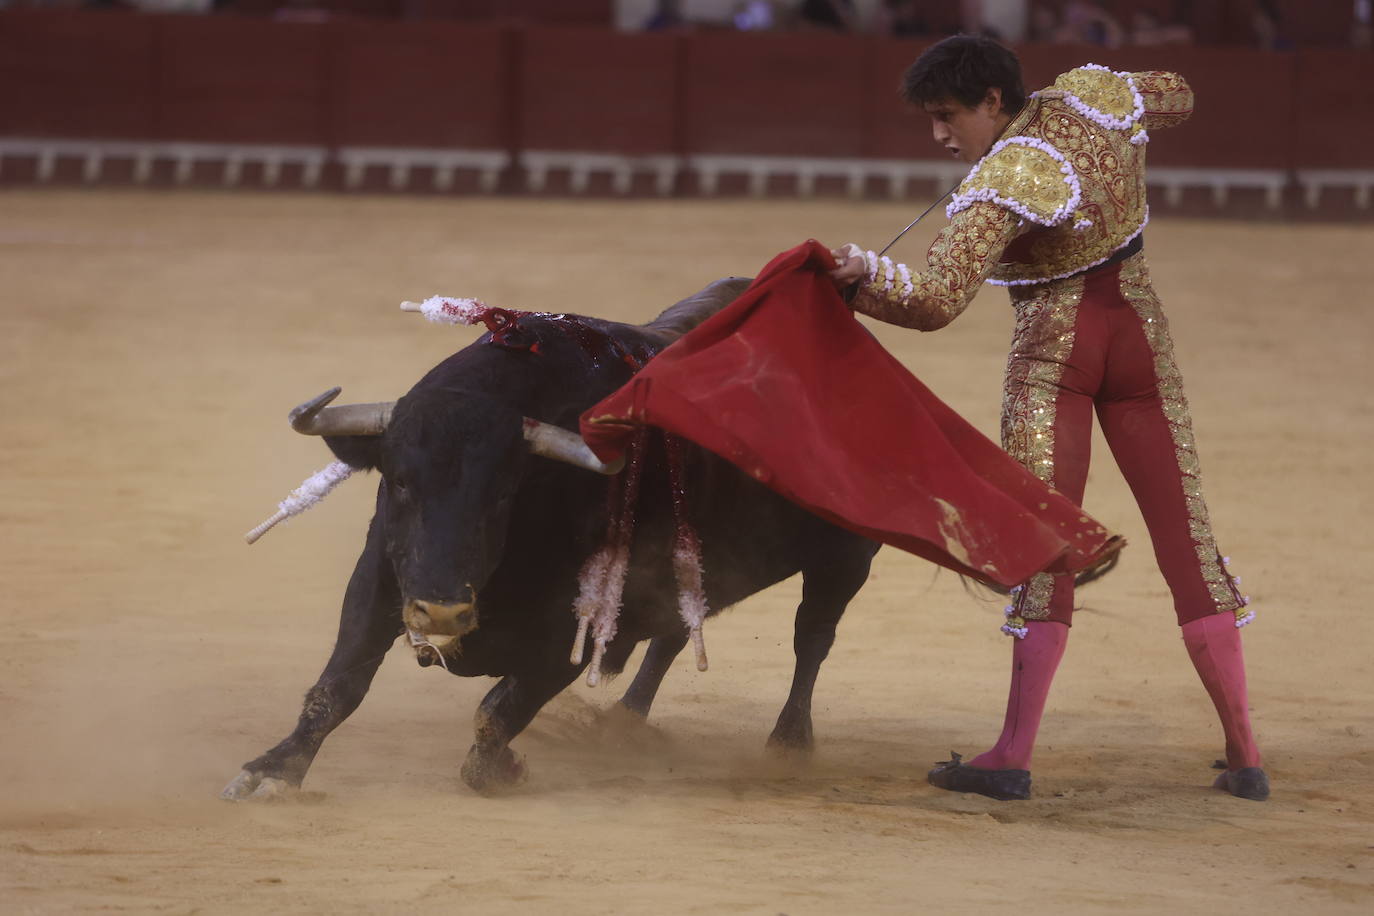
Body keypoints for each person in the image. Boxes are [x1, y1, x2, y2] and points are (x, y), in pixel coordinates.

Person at [826, 35, 1268, 801]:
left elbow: (933, 302)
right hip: (1139, 336)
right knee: (1188, 540)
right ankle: (1245, 755)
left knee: (1043, 543)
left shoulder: (1002, 181)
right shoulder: (1093, 95)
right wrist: (1116, 128)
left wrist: (862, 278)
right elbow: (1179, 94)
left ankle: (1012, 757)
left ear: (994, 101)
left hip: (1053, 357)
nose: (938, 134)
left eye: (947, 115)